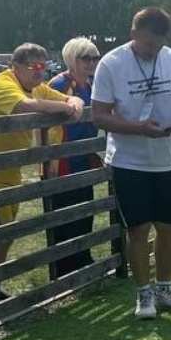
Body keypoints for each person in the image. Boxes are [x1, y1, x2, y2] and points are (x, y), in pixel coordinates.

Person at [91, 6, 171, 319]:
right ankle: (144, 293)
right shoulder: (111, 63)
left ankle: (165, 288)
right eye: (148, 43)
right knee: (138, 230)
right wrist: (139, 128)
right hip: (130, 161)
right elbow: (99, 115)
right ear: (133, 34)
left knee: (169, 227)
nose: (153, 50)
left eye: (159, 44)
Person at [0, 43, 83, 309]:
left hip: (10, 168)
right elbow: (25, 107)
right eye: (34, 67)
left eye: (43, 66)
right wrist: (63, 107)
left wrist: (73, 103)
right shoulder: (2, 84)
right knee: (2, 234)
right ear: (16, 66)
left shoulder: (36, 86)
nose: (40, 72)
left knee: (7, 233)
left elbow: (70, 99)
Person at [47, 37, 104, 275]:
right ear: (72, 59)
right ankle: (65, 265)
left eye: (94, 58)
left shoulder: (91, 85)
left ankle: (82, 257)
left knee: (85, 206)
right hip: (63, 159)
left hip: (84, 155)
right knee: (65, 210)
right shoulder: (59, 84)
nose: (91, 63)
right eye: (85, 58)